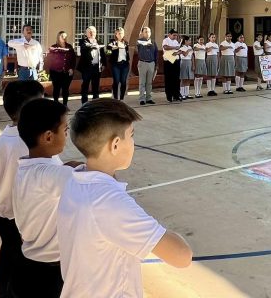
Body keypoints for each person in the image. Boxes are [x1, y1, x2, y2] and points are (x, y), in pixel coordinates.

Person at [57, 99, 192, 297]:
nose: (133, 143)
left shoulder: (75, 180)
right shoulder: (109, 202)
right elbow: (181, 256)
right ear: (116, 144)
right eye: (131, 135)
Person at [10, 98, 80, 298]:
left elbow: (59, 172)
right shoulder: (48, 175)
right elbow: (93, 181)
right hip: (47, 275)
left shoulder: (29, 167)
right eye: (65, 130)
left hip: (28, 264)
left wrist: (69, 166)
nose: (67, 136)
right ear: (48, 137)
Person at [0, 80, 45, 298]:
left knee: (6, 285)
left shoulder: (1, 140)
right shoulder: (30, 145)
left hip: (2, 220)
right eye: (41, 104)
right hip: (21, 229)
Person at [47, 31, 76, 107]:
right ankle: (56, 104)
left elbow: (73, 59)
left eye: (65, 36)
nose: (64, 38)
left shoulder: (69, 46)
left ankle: (65, 105)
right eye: (62, 36)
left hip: (66, 72)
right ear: (58, 37)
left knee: (65, 89)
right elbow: (49, 59)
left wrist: (71, 68)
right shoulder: (54, 47)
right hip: (56, 72)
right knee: (56, 89)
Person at [77, 26, 104, 103]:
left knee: (95, 86)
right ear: (87, 33)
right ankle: (84, 103)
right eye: (90, 32)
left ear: (96, 33)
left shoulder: (99, 42)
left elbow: (102, 54)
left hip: (96, 67)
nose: (92, 33)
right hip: (86, 68)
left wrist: (104, 64)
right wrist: (93, 46)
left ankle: (95, 102)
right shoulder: (83, 41)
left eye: (93, 32)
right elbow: (83, 48)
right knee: (85, 85)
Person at [107, 27, 130, 101]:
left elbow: (127, 53)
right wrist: (115, 47)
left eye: (122, 33)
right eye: (119, 33)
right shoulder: (113, 41)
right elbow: (108, 48)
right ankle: (115, 98)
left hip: (124, 64)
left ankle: (122, 98)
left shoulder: (126, 42)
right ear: (116, 34)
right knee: (116, 81)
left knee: (123, 81)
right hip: (116, 64)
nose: (120, 35)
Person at [136, 27, 157, 106]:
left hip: (151, 63)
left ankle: (149, 98)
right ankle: (142, 98)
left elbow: (156, 53)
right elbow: (136, 46)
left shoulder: (153, 42)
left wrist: (156, 64)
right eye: (146, 32)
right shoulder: (139, 41)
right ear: (142, 33)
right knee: (142, 82)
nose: (147, 33)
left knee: (149, 82)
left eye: (149, 31)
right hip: (143, 63)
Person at [162, 29, 182, 102]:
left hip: (176, 60)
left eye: (176, 35)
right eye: (173, 35)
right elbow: (165, 47)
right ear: (169, 35)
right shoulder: (166, 40)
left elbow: (177, 50)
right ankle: (169, 96)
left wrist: (179, 52)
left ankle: (176, 95)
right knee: (169, 79)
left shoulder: (176, 41)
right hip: (168, 61)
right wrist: (174, 48)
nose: (175, 37)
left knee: (176, 79)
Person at [178, 36, 194, 100]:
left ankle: (187, 94)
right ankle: (182, 94)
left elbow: (192, 56)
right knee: (183, 78)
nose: (190, 42)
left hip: (189, 62)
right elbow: (184, 54)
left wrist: (193, 64)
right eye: (189, 40)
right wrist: (188, 50)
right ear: (185, 41)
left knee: (188, 78)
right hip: (184, 62)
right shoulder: (182, 48)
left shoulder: (190, 47)